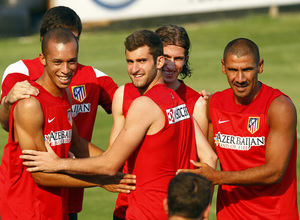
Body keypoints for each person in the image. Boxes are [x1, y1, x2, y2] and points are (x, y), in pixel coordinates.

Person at [21, 29, 217, 220]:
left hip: (146, 212)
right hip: (175, 211)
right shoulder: (179, 103)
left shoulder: (144, 105)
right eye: (130, 62)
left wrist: (58, 164)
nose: (134, 69)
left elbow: (109, 165)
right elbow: (209, 156)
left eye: (142, 61)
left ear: (158, 62)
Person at [0, 27, 135, 220]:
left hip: (55, 205)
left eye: (71, 61)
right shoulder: (30, 104)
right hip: (25, 210)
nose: (65, 70)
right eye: (57, 62)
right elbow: (40, 174)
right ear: (43, 59)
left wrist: (117, 166)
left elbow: (77, 144)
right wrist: (101, 179)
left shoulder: (65, 96)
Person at [179, 38, 299, 219]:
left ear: (260, 66)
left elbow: (274, 172)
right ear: (223, 67)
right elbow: (207, 161)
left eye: (247, 70)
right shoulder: (215, 105)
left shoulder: (279, 107)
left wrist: (218, 177)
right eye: (233, 70)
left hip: (274, 215)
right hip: (229, 215)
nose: (240, 78)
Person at [112, 24, 211, 220]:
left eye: (178, 58)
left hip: (169, 210)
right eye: (166, 57)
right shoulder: (124, 94)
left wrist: (198, 211)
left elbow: (205, 163)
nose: (171, 65)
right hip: (126, 205)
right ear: (157, 58)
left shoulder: (196, 103)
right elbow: (112, 156)